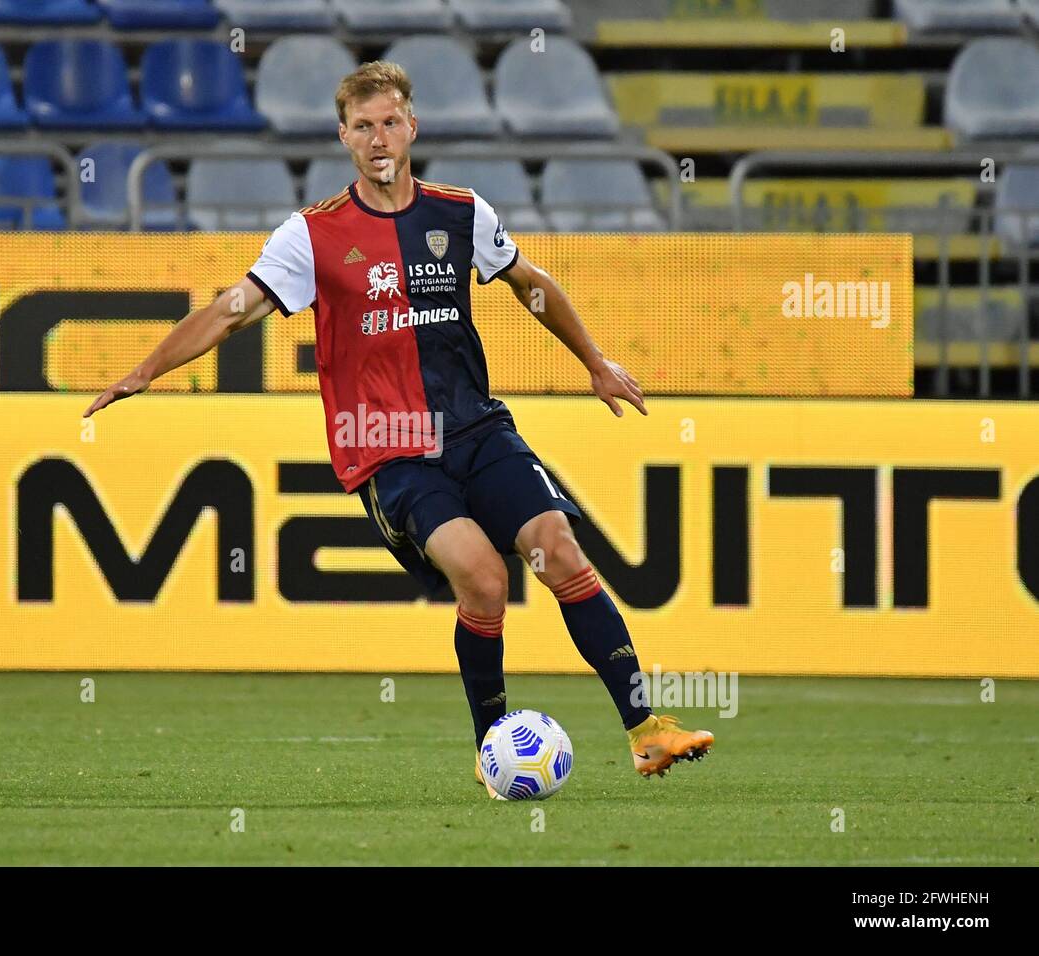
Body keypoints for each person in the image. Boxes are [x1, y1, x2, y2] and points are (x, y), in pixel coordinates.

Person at [85, 61, 713, 796]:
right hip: (389, 451)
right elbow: (230, 311)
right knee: (483, 579)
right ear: (343, 137)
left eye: (390, 122)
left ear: (411, 126)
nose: (378, 138)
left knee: (558, 547)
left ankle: (646, 731)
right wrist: (144, 370)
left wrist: (596, 362)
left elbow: (530, 285)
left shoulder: (460, 213)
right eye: (362, 126)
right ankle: (491, 750)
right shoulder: (311, 236)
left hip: (478, 430)